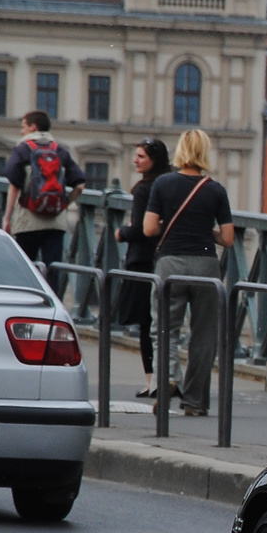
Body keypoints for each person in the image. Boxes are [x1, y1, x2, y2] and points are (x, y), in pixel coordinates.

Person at [144, 129, 234, 418]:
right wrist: (205, 230)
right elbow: (228, 238)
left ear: (180, 151)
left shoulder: (163, 183)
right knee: (204, 336)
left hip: (170, 264)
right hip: (206, 266)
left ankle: (169, 377)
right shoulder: (216, 189)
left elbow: (148, 229)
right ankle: (194, 402)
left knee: (164, 329)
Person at [115, 138, 170, 398]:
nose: (135, 160)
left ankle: (151, 380)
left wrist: (120, 233)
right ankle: (164, 377)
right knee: (162, 323)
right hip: (164, 258)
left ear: (153, 160)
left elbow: (139, 229)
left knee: (146, 324)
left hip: (141, 261)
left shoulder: (143, 189)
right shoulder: (168, 183)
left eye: (141, 157)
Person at [3, 110, 85, 269]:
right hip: (55, 223)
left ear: (33, 127)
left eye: (23, 127)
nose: (21, 131)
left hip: (27, 222)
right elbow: (80, 186)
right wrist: (64, 204)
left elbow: (14, 186)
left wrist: (7, 219)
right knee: (52, 272)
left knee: (26, 271)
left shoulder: (22, 150)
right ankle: (51, 294)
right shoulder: (59, 150)